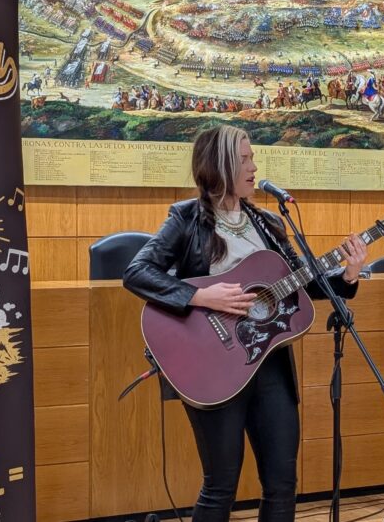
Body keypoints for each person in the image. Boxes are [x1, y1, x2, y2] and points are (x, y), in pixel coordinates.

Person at [123, 125, 368, 522]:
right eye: (244, 159)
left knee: (282, 483)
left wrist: (349, 274)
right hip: (212, 366)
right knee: (221, 485)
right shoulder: (186, 218)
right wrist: (200, 295)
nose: (254, 167)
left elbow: (304, 281)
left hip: (269, 366)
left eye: (252, 157)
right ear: (219, 164)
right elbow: (137, 272)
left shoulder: (269, 222)